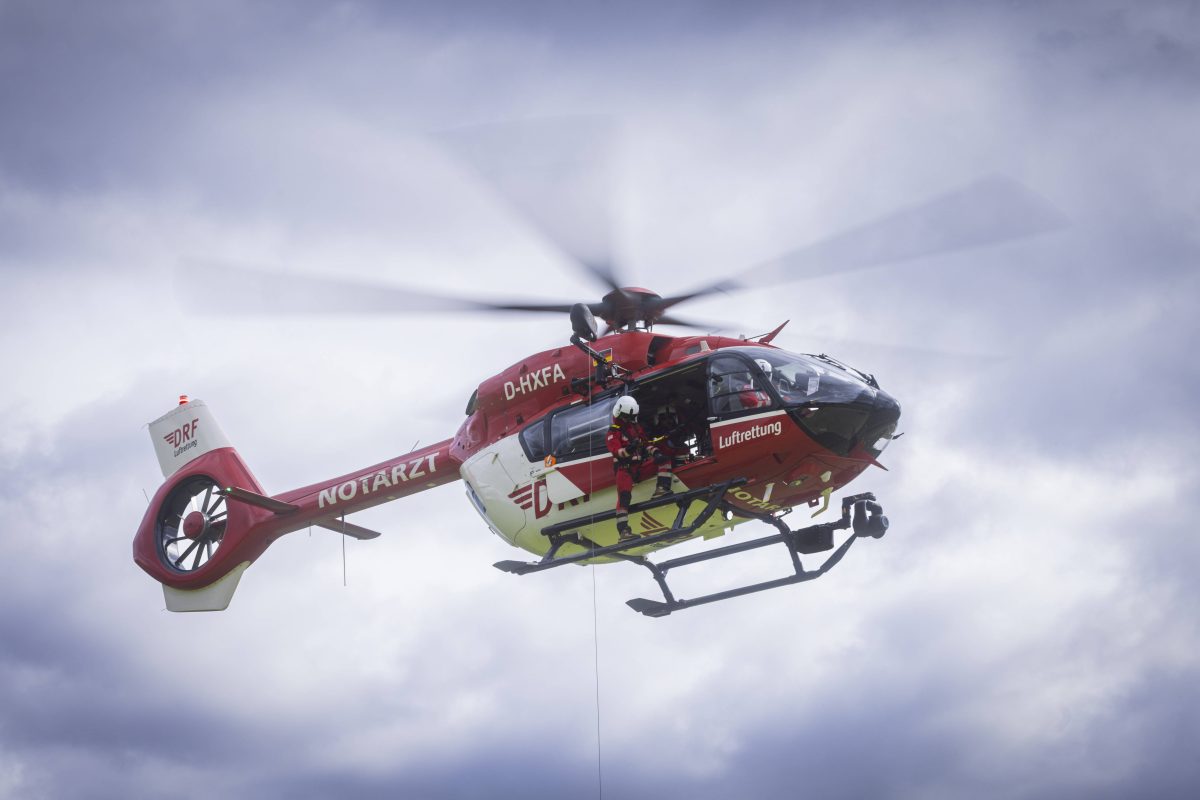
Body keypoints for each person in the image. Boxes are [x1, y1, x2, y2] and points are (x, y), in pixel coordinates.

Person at [606, 395, 674, 541]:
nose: (627, 420)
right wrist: (629, 449)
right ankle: (623, 531)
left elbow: (646, 443)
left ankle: (661, 490)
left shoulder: (636, 428)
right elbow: (617, 452)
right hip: (624, 470)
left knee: (665, 461)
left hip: (639, 467)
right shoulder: (613, 432)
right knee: (624, 497)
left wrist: (655, 453)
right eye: (625, 417)